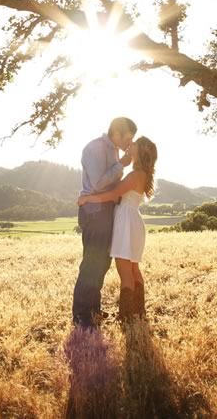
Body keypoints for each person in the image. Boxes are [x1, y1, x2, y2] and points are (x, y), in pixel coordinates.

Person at [77, 136, 158, 322]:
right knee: (134, 268)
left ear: (141, 151)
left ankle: (127, 316)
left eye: (135, 144)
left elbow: (112, 194)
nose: (131, 145)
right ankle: (138, 312)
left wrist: (88, 198)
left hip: (126, 221)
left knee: (125, 271)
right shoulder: (142, 174)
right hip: (134, 220)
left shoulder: (134, 175)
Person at [72, 117, 137, 329]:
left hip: (105, 209)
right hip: (95, 211)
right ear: (117, 133)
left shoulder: (113, 149)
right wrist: (122, 165)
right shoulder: (95, 148)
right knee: (92, 262)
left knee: (102, 263)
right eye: (128, 137)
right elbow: (99, 183)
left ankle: (93, 310)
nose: (130, 143)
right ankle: (82, 316)